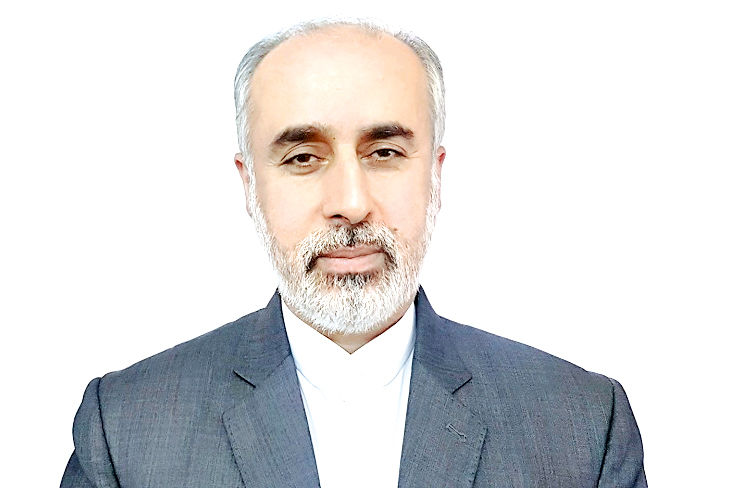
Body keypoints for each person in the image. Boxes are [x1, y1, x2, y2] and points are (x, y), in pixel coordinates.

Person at [61, 19, 647, 488]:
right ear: (249, 185)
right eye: (302, 157)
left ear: (435, 175)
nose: (350, 203)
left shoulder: (581, 426)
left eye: (384, 152)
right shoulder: (126, 431)